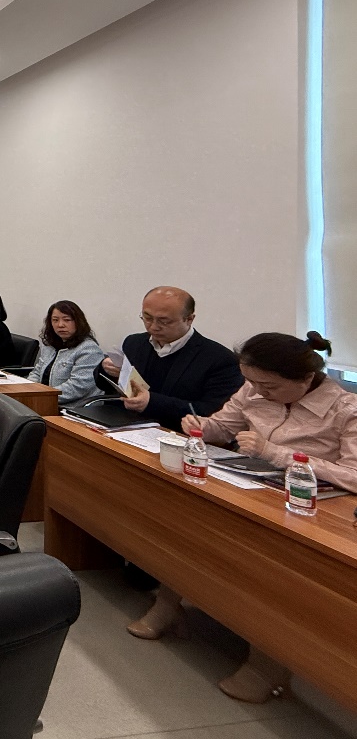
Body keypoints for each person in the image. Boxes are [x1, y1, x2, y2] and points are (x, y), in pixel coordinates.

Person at [127, 331, 357, 703]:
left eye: (269, 386)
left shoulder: (345, 409)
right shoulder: (253, 389)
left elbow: (353, 474)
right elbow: (223, 426)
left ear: (304, 379)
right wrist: (201, 425)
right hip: (249, 485)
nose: (257, 391)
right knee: (188, 529)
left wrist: (276, 453)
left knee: (270, 570)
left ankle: (267, 664)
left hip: (307, 507)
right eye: (251, 382)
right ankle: (168, 606)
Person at [100, 286, 243, 430]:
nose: (153, 327)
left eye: (164, 321)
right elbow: (105, 387)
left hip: (174, 433)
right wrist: (106, 369)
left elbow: (213, 413)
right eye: (147, 318)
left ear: (189, 319)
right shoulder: (134, 343)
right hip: (120, 426)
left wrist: (152, 402)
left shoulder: (220, 359)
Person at [27, 301, 103, 404]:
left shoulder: (89, 349)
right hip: (45, 399)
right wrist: (26, 389)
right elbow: (37, 372)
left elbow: (77, 388)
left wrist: (41, 396)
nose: (60, 325)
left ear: (78, 322)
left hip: (74, 407)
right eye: (55, 320)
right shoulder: (50, 345)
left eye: (67, 320)